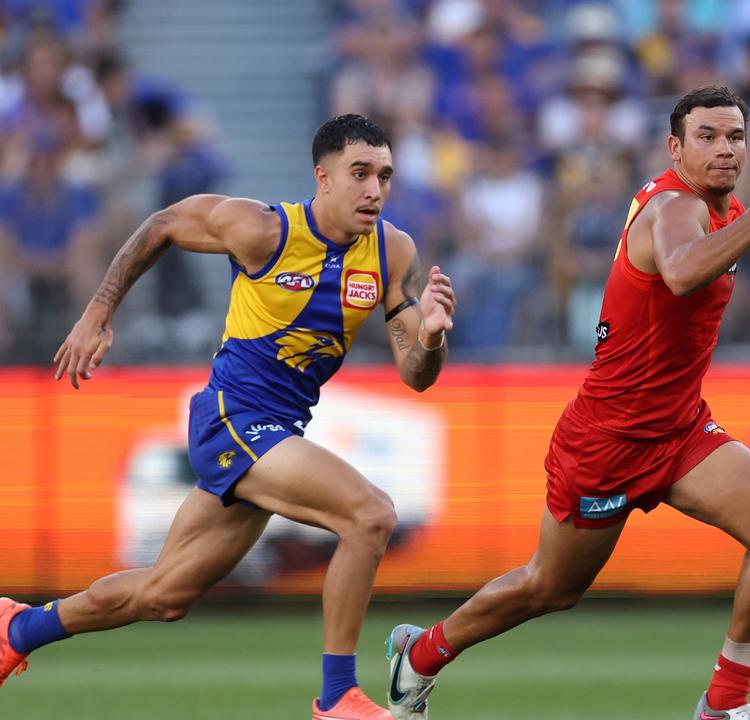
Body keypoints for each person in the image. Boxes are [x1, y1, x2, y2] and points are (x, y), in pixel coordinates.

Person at [0, 114, 456, 720]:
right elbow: (163, 223)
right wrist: (98, 313)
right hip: (231, 416)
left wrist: (429, 337)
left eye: (385, 176)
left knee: (165, 594)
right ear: (322, 178)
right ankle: (338, 695)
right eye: (360, 173)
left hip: (277, 432)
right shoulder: (261, 228)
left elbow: (415, 374)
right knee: (370, 515)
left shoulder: (391, 251)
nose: (375, 189)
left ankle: (18, 629)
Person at [384, 86, 750, 720]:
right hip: (609, 441)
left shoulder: (724, 209)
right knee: (550, 588)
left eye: (735, 137)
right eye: (707, 137)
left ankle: (723, 704)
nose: (724, 149)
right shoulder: (673, 207)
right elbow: (683, 273)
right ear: (675, 147)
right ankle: (420, 656)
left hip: (680, 430)